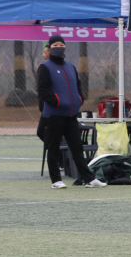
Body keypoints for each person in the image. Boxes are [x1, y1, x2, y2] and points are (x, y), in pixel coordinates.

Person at [37, 34, 106, 188]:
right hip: (53, 116)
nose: (58, 48)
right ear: (49, 48)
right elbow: (42, 90)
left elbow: (78, 86)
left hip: (71, 115)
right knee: (53, 149)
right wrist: (58, 102)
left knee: (77, 148)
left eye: (61, 44)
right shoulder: (45, 67)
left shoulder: (71, 66)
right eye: (55, 45)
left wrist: (79, 99)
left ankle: (89, 179)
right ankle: (56, 180)